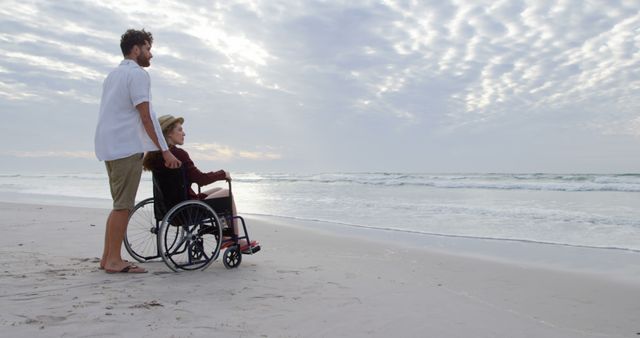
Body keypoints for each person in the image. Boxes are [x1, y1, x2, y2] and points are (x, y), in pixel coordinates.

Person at [94, 29, 181, 274]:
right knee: (123, 206)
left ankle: (107, 257)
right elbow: (146, 117)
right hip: (124, 146)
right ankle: (113, 261)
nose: (150, 54)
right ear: (136, 49)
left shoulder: (113, 75)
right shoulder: (137, 75)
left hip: (108, 145)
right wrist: (165, 151)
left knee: (118, 205)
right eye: (148, 48)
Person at [143, 115, 259, 252]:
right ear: (168, 133)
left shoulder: (154, 156)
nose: (184, 133)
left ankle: (224, 233)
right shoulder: (178, 154)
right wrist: (223, 174)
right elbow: (200, 179)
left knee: (218, 190)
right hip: (186, 209)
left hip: (168, 209)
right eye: (180, 130)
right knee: (226, 194)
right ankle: (231, 238)